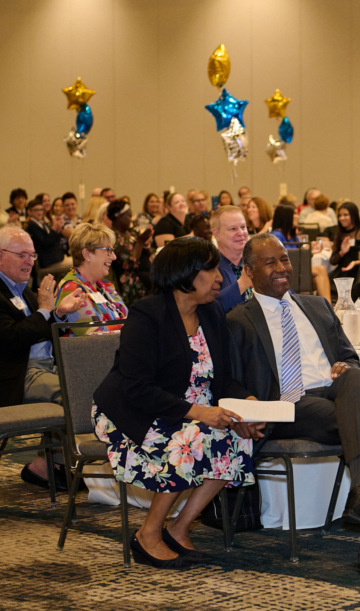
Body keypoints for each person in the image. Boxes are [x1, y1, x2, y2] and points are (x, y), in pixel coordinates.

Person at [227, 233, 360, 575]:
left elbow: (351, 357)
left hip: (333, 392)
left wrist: (344, 365)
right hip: (288, 404)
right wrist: (247, 407)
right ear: (249, 271)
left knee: (354, 378)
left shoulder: (317, 305)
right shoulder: (238, 320)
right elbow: (229, 379)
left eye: (285, 259)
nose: (281, 268)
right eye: (270, 262)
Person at [91, 237, 257, 568]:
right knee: (191, 439)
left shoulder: (211, 312)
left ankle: (178, 529)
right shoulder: (147, 315)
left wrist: (247, 403)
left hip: (192, 411)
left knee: (239, 437)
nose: (220, 278)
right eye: (211, 270)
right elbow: (138, 388)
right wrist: (199, 413)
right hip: (134, 411)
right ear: (185, 274)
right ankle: (148, 534)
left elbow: (222, 379)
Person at [0, 226, 87, 489]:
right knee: (74, 394)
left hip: (35, 369)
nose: (29, 261)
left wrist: (57, 313)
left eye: (32, 255)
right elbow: (14, 338)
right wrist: (45, 310)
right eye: (22, 255)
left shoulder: (16, 286)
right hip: (10, 379)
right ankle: (55, 464)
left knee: (89, 383)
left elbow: (34, 327)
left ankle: (49, 463)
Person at [54, 221, 129, 334]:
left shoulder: (107, 286)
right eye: (108, 250)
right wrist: (129, 326)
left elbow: (128, 319)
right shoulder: (72, 289)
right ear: (87, 254)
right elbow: (95, 336)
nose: (114, 257)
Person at [104, 200, 152, 306]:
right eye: (129, 216)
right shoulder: (113, 237)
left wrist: (146, 244)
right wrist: (140, 242)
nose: (131, 219)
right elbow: (129, 264)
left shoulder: (132, 232)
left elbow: (147, 256)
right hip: (129, 285)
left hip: (144, 276)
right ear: (119, 217)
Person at [211, 205, 252, 314]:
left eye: (243, 227)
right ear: (216, 234)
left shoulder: (255, 261)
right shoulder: (208, 268)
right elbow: (209, 308)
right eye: (233, 229)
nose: (241, 233)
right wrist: (242, 284)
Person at [26, 199, 71, 278]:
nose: (39, 212)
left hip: (54, 257)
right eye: (36, 210)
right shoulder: (31, 225)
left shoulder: (41, 223)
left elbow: (53, 240)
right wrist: (53, 229)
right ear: (29, 212)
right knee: (75, 263)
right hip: (46, 261)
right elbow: (44, 243)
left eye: (41, 209)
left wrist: (58, 229)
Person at [328, 201, 360, 280]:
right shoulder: (339, 235)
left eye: (345, 215)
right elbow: (332, 261)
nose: (342, 218)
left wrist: (355, 263)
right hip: (342, 272)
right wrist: (342, 252)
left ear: (353, 215)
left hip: (359, 273)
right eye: (340, 215)